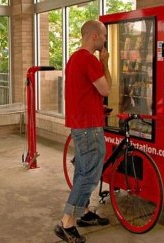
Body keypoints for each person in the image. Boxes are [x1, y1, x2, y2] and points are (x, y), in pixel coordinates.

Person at [54, 20, 112, 243]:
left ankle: (85, 212)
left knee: (82, 171)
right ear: (94, 36)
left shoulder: (74, 58)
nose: (106, 40)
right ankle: (66, 222)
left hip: (81, 124)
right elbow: (106, 89)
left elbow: (87, 91)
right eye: (104, 35)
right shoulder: (89, 59)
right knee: (90, 175)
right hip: (89, 127)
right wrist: (104, 63)